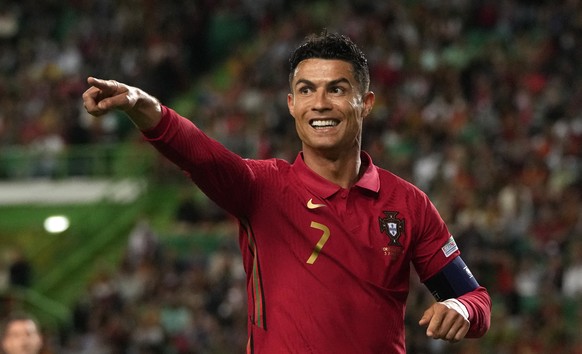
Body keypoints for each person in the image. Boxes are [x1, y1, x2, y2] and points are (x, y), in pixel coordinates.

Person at [83, 32, 491, 353]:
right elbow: (201, 155)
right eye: (307, 90)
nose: (320, 103)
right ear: (291, 104)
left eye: (336, 89)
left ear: (364, 103)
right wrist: (140, 105)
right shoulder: (262, 188)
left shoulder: (408, 204)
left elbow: (475, 298)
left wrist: (461, 308)